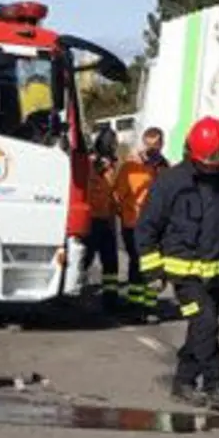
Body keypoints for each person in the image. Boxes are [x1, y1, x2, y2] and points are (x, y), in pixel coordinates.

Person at [134, 116, 219, 410]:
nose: (214, 166)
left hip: (217, 275)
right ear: (193, 153)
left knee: (201, 330)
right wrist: (153, 271)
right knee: (206, 324)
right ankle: (215, 383)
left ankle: (183, 381)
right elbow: (146, 227)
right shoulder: (171, 182)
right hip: (184, 276)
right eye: (208, 160)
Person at [114, 127, 169, 314]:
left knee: (154, 265)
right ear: (143, 144)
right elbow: (118, 196)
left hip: (156, 226)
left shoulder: (165, 168)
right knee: (138, 263)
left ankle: (149, 304)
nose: (152, 148)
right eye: (149, 144)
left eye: (156, 144)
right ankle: (136, 305)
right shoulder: (130, 167)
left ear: (162, 145)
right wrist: (125, 214)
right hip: (133, 223)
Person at [83, 127, 121, 311]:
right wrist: (98, 165)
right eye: (112, 142)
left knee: (111, 262)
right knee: (86, 259)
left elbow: (114, 191)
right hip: (91, 218)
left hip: (107, 218)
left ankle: (111, 298)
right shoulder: (90, 162)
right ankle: (76, 294)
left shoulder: (113, 164)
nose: (114, 145)